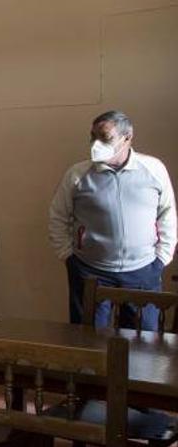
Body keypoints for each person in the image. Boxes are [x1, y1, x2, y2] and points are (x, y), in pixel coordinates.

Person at [49, 110, 175, 328]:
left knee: (143, 343)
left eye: (105, 138)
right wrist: (68, 257)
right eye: (93, 137)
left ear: (128, 137)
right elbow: (58, 216)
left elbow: (168, 213)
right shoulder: (78, 174)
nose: (96, 144)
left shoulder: (154, 169)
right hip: (90, 269)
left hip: (143, 270)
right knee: (87, 340)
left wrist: (162, 258)